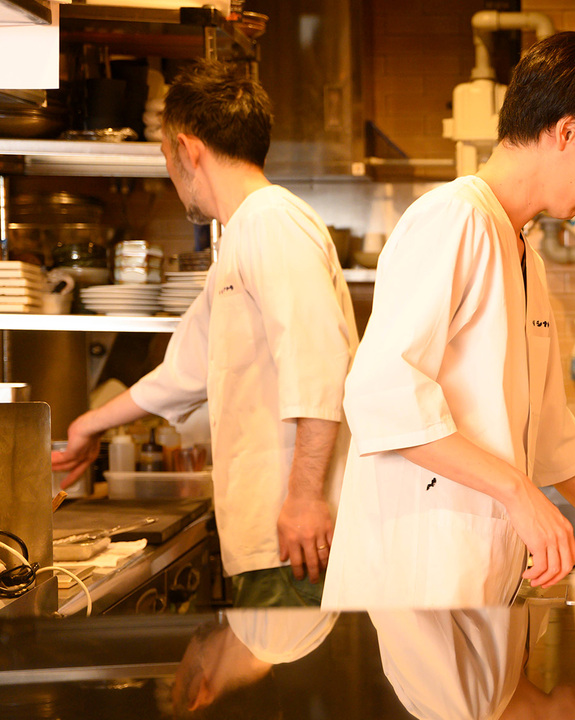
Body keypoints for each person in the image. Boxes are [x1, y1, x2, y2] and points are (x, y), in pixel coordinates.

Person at [322, 31, 575, 610]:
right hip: (417, 577)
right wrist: (519, 493)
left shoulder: (524, 250)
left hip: (481, 572)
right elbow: (383, 396)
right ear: (566, 131)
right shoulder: (453, 220)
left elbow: (548, 431)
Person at [51, 60, 358, 606]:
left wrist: (306, 497)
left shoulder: (272, 222)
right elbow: (185, 371)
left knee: (293, 682)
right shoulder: (241, 239)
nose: (171, 178)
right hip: (271, 537)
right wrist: (89, 426)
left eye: (166, 158)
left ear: (189, 150)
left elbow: (321, 366)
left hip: (299, 538)